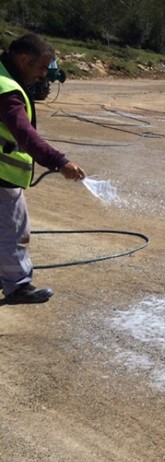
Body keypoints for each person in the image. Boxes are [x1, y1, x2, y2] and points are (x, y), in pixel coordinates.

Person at [0, 33, 86, 304]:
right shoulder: (6, 90)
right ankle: (17, 286)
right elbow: (25, 135)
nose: (42, 75)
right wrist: (60, 162)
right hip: (3, 175)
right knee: (14, 230)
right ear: (23, 59)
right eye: (40, 68)